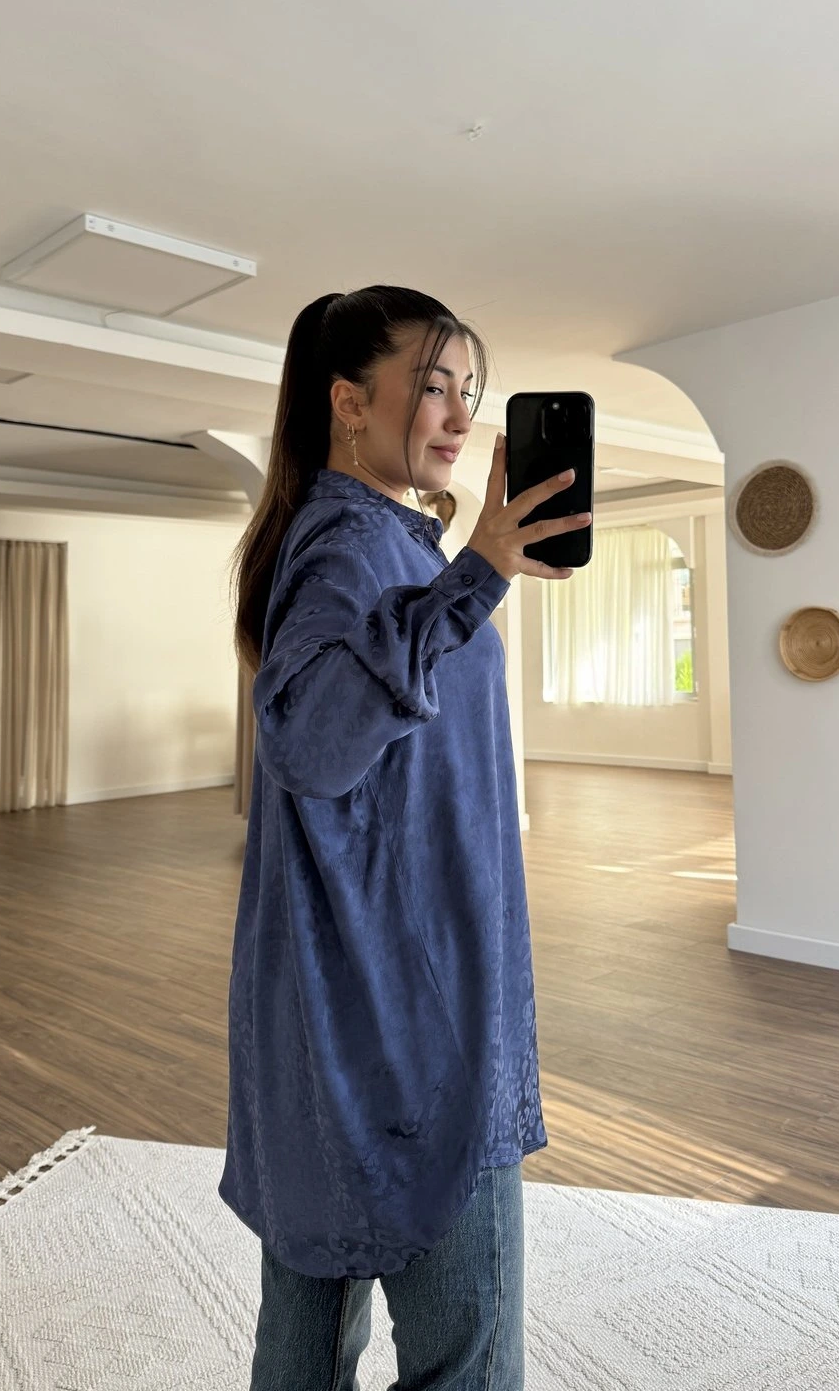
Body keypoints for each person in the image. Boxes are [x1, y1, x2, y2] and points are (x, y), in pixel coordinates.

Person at [221, 285, 591, 1391]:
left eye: (470, 391)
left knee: (305, 1334)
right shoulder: (350, 545)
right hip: (410, 1008)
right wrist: (475, 575)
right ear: (349, 402)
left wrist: (468, 574)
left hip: (347, 987)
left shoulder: (383, 540)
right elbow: (314, 745)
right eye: (434, 386)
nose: (461, 415)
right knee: (467, 1352)